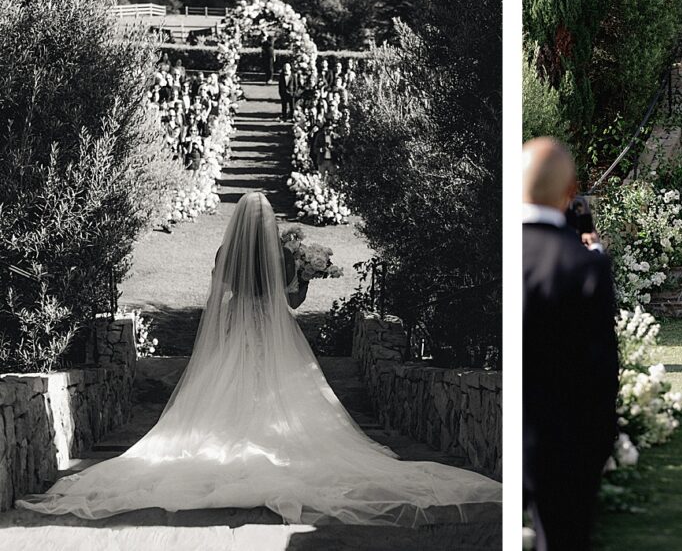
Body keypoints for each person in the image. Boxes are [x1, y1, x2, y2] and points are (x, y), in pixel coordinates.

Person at [16, 192, 502, 523]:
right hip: (271, 331)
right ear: (269, 225)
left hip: (234, 327)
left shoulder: (227, 250)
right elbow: (288, 305)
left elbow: (221, 292)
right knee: (279, 388)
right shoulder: (281, 256)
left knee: (225, 387)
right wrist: (307, 275)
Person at [523, 137, 618, 551]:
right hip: (561, 442)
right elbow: (600, 371)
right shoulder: (585, 267)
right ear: (569, 190)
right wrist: (598, 448)